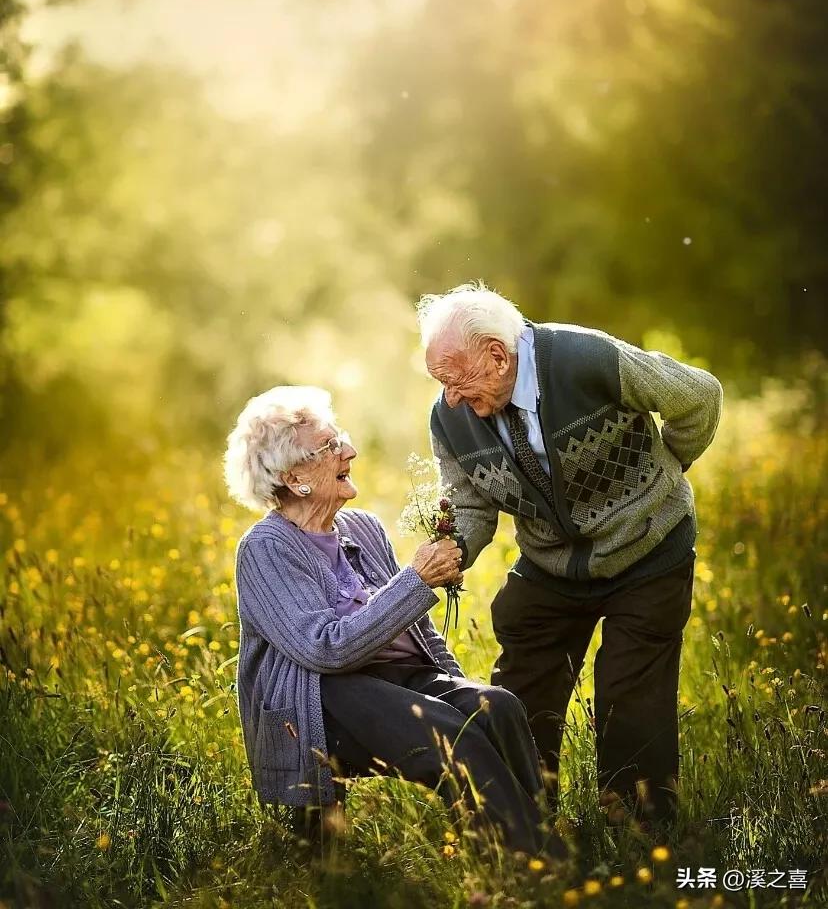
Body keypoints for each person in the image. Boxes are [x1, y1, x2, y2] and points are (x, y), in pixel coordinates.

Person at [418, 282, 723, 829]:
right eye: (439, 382)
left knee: (631, 691)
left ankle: (638, 829)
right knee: (522, 678)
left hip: (648, 549)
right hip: (552, 563)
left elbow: (699, 395)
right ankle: (520, 816)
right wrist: (453, 548)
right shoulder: (450, 418)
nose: (451, 398)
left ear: (496, 354)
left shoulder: (587, 358)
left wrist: (665, 469)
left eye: (453, 377)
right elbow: (469, 504)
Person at [224, 385, 554, 855]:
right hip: (326, 698)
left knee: (495, 706)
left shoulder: (362, 528)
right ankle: (542, 865)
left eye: (342, 438)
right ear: (295, 477)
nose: (350, 450)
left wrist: (456, 686)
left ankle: (512, 850)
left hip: (401, 680)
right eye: (331, 446)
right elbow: (325, 648)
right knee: (451, 735)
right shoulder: (265, 549)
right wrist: (416, 580)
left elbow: (416, 629)